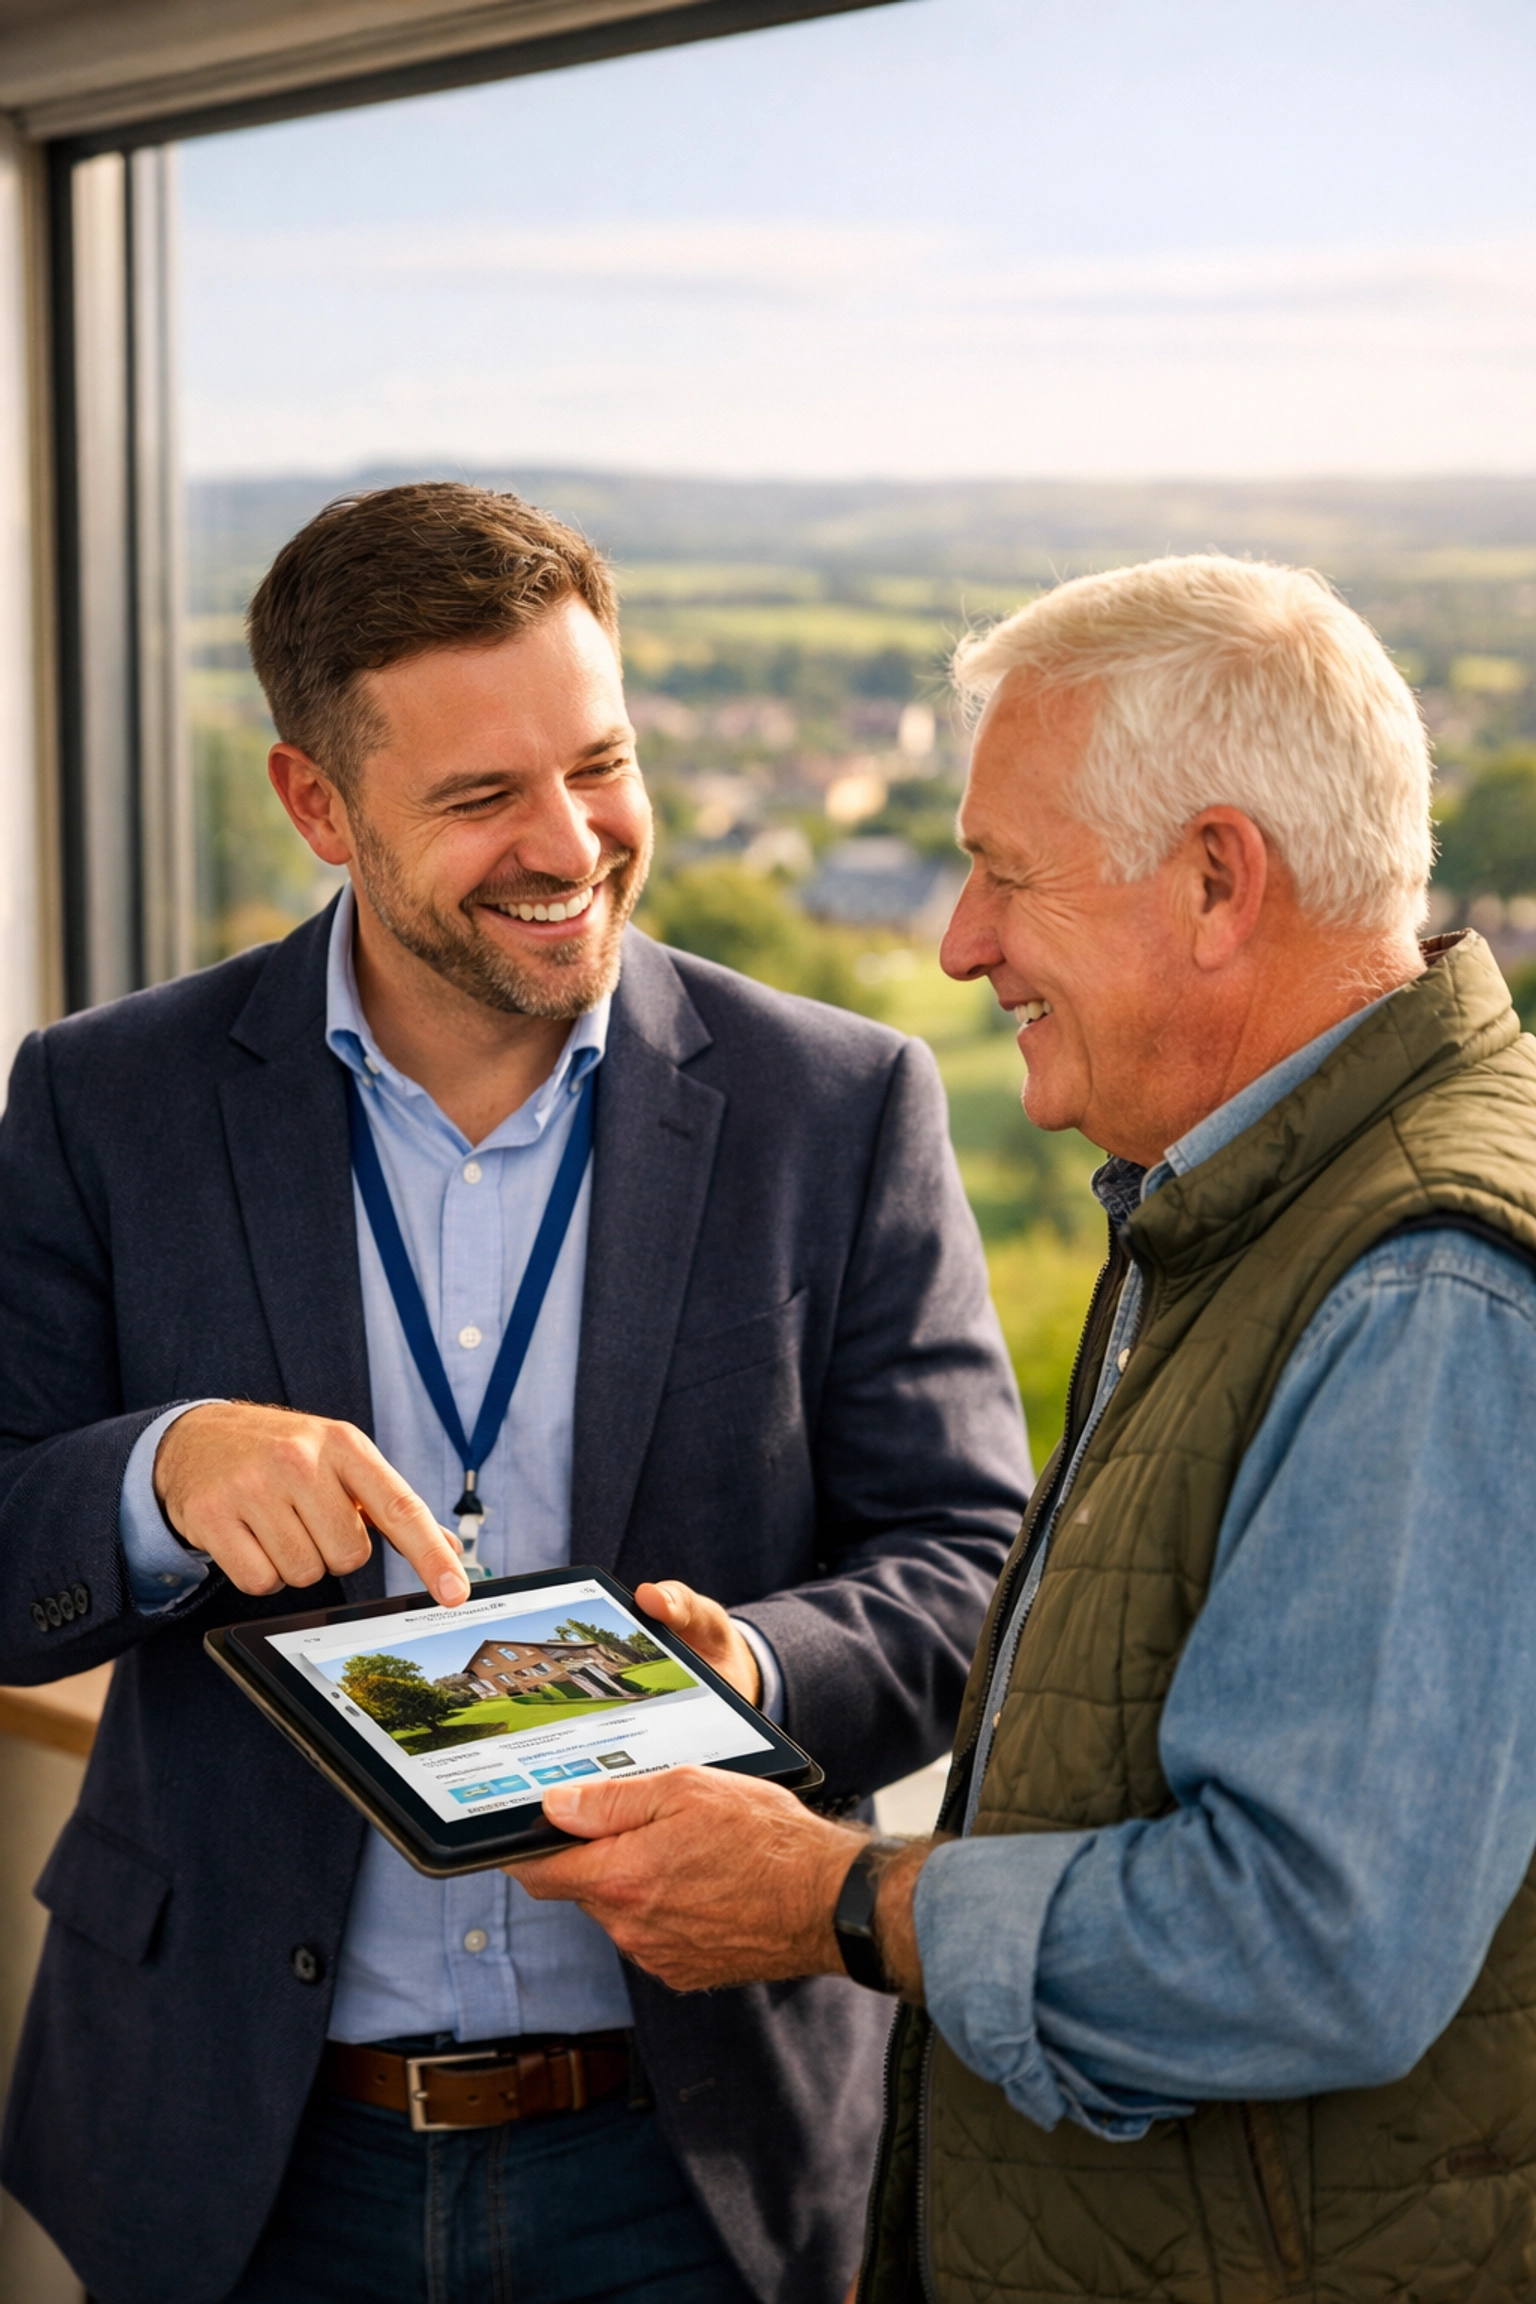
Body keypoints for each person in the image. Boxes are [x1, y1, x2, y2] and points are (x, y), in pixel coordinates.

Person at [0, 482, 1031, 2304]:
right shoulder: (103, 1099)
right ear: (316, 803)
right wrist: (154, 1481)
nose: (572, 843)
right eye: (479, 798)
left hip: (695, 2151)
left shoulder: (840, 1104)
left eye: (601, 764)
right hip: (236, 2150)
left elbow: (967, 1559)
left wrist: (759, 1672)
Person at [516, 553, 1536, 2304]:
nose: (956, 941)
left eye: (1004, 873)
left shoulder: (1421, 1292)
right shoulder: (1237, 1198)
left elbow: (1310, 1948)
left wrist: (838, 1899)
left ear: (1220, 880)